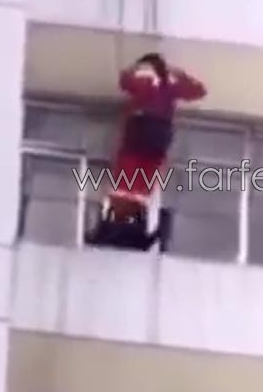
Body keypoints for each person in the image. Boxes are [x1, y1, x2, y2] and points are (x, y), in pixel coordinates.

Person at [86, 53, 207, 251]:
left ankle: (116, 231)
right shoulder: (169, 87)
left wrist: (135, 67)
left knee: (135, 169)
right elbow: (199, 91)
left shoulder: (147, 83)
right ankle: (119, 230)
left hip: (141, 132)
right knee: (139, 170)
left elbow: (125, 81)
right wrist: (180, 74)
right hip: (153, 135)